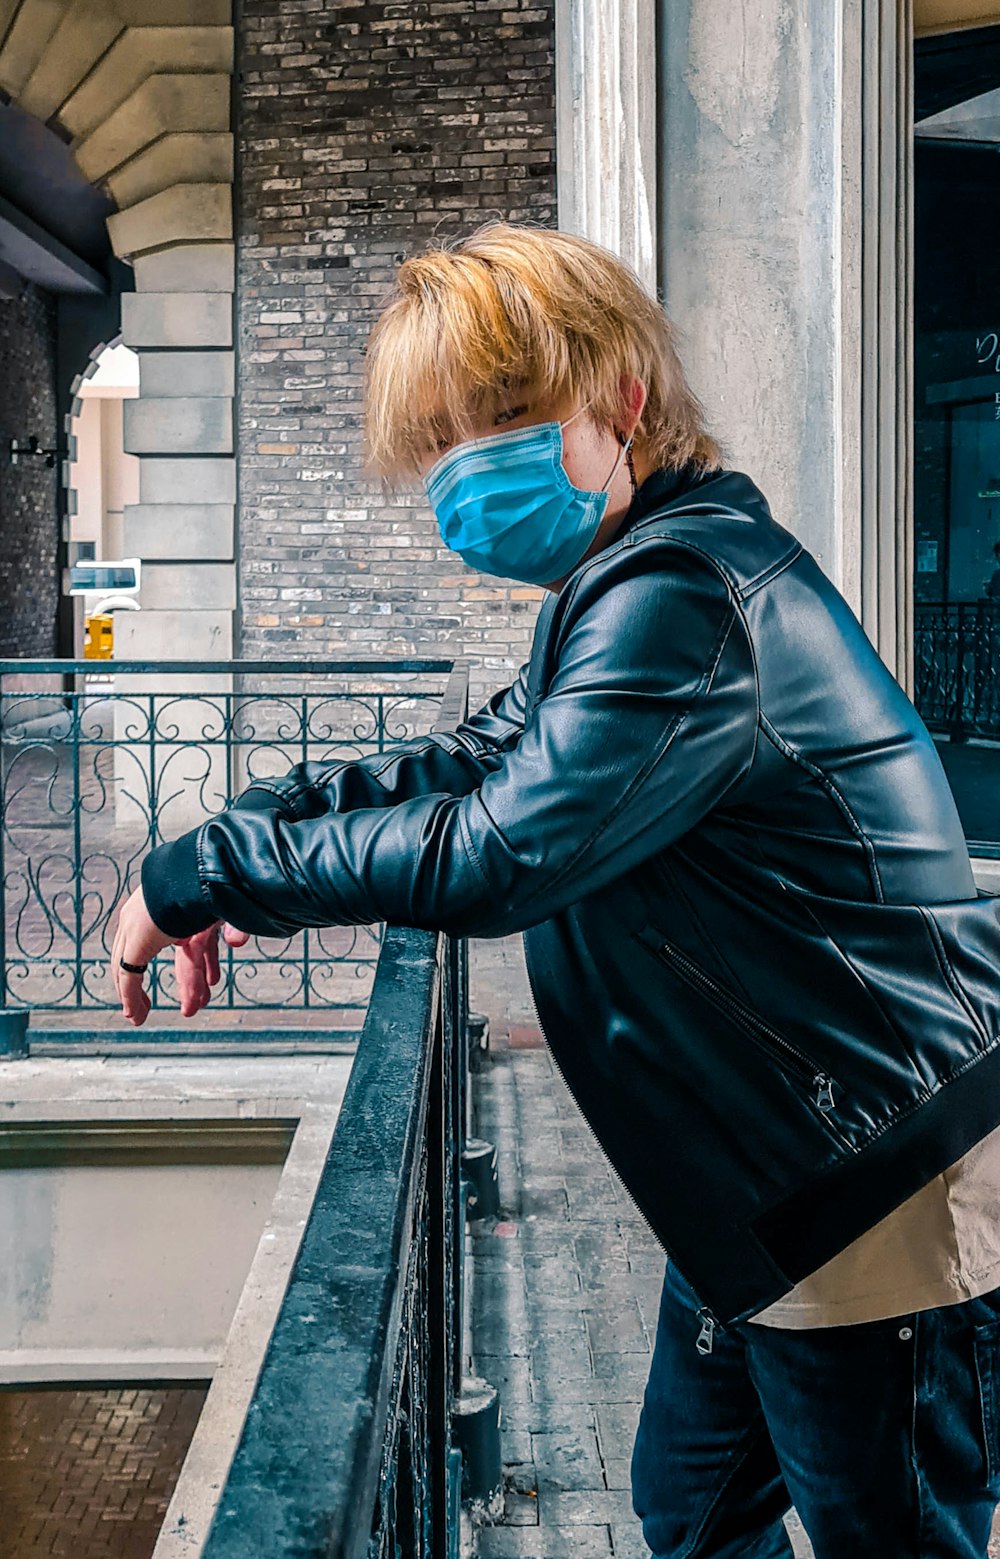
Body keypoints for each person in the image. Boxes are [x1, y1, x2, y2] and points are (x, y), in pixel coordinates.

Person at [111, 222, 1000, 1558]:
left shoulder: (685, 595)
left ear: (624, 400)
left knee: (892, 1535)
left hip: (870, 1184)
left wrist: (205, 875)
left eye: (506, 420)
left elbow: (500, 849)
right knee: (693, 1513)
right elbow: (473, 762)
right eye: (447, 440)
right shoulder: (633, 577)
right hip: (759, 1179)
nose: (468, 471)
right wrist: (250, 826)